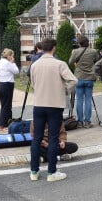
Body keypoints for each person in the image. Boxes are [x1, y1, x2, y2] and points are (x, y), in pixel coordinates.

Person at [30, 38, 77, 182]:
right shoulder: (59, 64)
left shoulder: (35, 64)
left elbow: (33, 83)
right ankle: (52, 171)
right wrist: (64, 91)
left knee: (37, 138)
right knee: (52, 137)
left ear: (42, 48)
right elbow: (73, 80)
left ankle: (34, 171)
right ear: (54, 48)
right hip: (55, 104)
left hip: (38, 103)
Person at [68, 36, 100, 128]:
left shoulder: (75, 51)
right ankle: (87, 122)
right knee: (88, 100)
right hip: (90, 77)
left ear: (79, 43)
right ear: (88, 42)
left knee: (79, 100)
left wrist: (76, 63)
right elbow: (96, 61)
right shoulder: (93, 51)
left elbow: (70, 62)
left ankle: (80, 121)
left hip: (79, 77)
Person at [0, 48, 19, 130]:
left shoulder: (0, 62)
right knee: (7, 105)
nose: (12, 57)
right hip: (8, 84)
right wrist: (13, 63)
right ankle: (3, 125)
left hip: (1, 84)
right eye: (12, 56)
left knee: (4, 104)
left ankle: (8, 123)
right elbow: (16, 71)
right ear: (9, 56)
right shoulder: (7, 63)